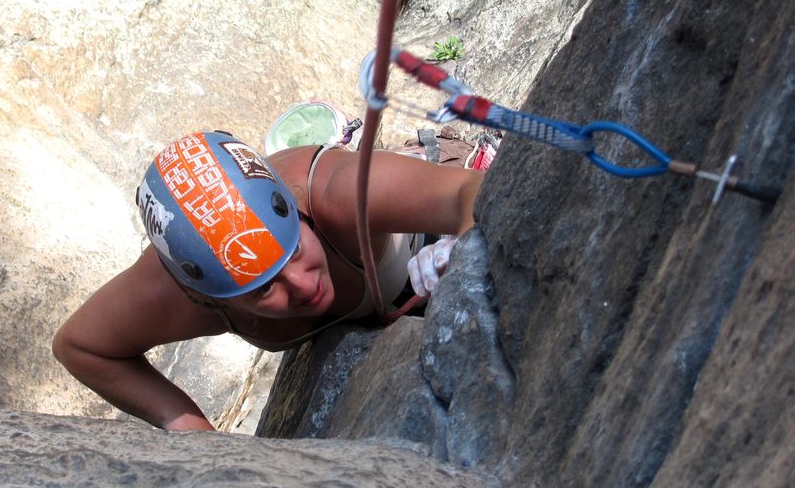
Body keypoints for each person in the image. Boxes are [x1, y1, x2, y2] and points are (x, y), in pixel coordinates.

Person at [52, 130, 483, 431]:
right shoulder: (183, 293)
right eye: (262, 288)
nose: (301, 285)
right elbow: (80, 347)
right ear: (205, 299)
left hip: (424, 231)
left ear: (296, 213)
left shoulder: (338, 193)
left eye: (294, 249)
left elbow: (471, 190)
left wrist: (459, 248)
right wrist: (185, 424)